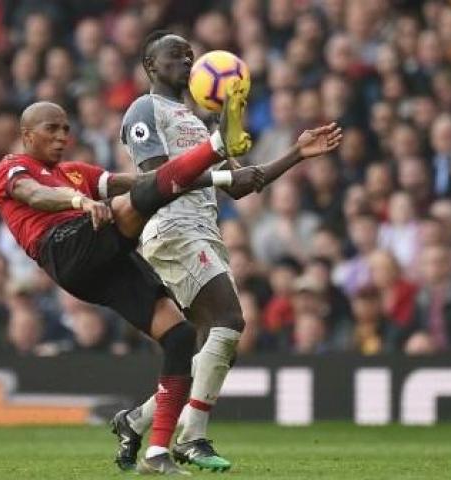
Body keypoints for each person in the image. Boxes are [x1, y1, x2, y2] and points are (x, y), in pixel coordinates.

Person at [0, 87, 257, 475]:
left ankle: (156, 454)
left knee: (180, 336)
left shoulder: (76, 172)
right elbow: (34, 194)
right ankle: (217, 142)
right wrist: (78, 201)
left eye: (66, 129)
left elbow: (147, 182)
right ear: (27, 133)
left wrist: (220, 180)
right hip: (64, 247)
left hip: (105, 263)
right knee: (136, 203)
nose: (62, 136)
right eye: (52, 129)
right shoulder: (14, 166)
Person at [111, 30, 342, 472]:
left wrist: (296, 152)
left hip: (204, 230)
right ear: (150, 66)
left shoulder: (200, 122)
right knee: (230, 321)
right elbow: (158, 179)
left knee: (216, 342)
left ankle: (136, 422)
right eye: (174, 54)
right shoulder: (145, 110)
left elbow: (242, 185)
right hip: (172, 228)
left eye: (189, 53)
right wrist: (219, 173)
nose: (185, 58)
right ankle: (191, 436)